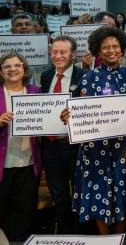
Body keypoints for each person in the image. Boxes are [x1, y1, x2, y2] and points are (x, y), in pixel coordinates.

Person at [61, 27, 126, 234]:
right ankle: (105, 239)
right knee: (98, 192)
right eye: (105, 47)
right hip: (94, 149)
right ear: (98, 51)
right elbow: (76, 109)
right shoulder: (87, 78)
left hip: (124, 149)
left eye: (115, 46)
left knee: (124, 192)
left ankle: (119, 237)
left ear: (122, 49)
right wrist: (68, 115)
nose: (111, 50)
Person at [40, 36, 86, 234]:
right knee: (58, 193)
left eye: (63, 52)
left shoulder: (85, 76)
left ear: (73, 54)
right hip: (51, 146)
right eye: (54, 52)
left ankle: (80, 233)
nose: (57, 56)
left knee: (79, 192)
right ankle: (64, 234)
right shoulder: (46, 75)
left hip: (75, 145)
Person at [0, 53, 42, 241]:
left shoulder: (36, 92)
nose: (12, 69)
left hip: (28, 163)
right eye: (7, 66)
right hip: (3, 164)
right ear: (1, 72)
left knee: (24, 211)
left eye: (17, 65)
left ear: (24, 70)